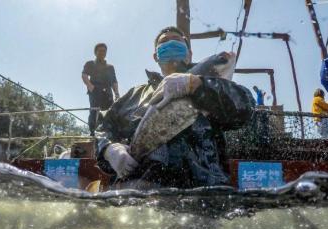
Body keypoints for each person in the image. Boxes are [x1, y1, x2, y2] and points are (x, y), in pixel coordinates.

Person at [95, 26, 255, 189]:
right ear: (155, 56)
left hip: (204, 192)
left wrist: (196, 85)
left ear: (189, 53)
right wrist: (108, 148)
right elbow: (103, 127)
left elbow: (244, 108)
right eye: (164, 42)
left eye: (177, 41)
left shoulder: (215, 84)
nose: (170, 43)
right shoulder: (133, 95)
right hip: (139, 192)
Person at [82, 43, 119, 135]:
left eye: (104, 51)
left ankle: (109, 133)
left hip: (108, 92)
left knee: (110, 112)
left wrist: (117, 93)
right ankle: (93, 133)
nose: (102, 52)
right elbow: (84, 75)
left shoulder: (110, 67)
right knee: (95, 111)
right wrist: (91, 87)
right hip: (95, 91)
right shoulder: (90, 64)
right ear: (95, 52)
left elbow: (114, 81)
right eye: (100, 51)